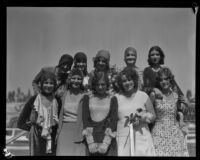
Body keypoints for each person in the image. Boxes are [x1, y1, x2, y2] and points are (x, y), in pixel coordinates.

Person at [17, 71, 62, 156]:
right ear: (41, 84)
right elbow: (20, 123)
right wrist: (35, 129)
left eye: (51, 83)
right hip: (37, 140)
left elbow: (59, 120)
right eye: (46, 83)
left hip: (53, 140)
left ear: (55, 85)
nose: (48, 86)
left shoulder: (58, 101)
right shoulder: (34, 100)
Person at [115, 67, 156, 156]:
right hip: (123, 138)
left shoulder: (143, 95)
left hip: (142, 138)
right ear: (120, 83)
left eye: (130, 80)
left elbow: (153, 116)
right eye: (124, 81)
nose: (127, 83)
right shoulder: (116, 98)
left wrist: (143, 118)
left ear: (134, 80)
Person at [150, 67, 189, 156]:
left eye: (166, 79)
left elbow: (181, 112)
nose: (163, 82)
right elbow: (148, 112)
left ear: (170, 79)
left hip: (175, 133)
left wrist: (187, 104)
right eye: (161, 80)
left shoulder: (176, 96)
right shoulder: (154, 95)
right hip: (159, 133)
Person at [81, 71, 118, 156]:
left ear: (107, 84)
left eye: (103, 84)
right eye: (97, 84)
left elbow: (113, 120)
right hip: (91, 139)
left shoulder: (113, 98)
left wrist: (106, 142)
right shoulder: (87, 97)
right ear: (94, 85)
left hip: (107, 139)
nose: (100, 87)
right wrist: (90, 142)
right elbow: (85, 118)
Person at [143, 46, 187, 112]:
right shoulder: (147, 70)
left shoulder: (164, 70)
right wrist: (154, 89)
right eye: (152, 55)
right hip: (153, 99)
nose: (155, 57)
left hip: (165, 99)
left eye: (157, 54)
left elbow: (174, 85)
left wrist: (182, 100)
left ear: (161, 56)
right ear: (149, 57)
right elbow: (146, 87)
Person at [56, 68, 86, 156]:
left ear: (82, 80)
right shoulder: (63, 94)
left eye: (79, 78)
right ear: (69, 79)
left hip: (79, 131)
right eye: (73, 78)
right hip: (64, 131)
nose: (76, 81)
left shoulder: (86, 96)